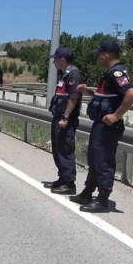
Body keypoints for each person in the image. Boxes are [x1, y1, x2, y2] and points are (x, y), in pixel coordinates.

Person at [70, 40, 133, 212]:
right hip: (100, 124)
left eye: (99, 55)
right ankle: (87, 192)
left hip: (108, 127)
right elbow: (106, 97)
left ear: (105, 55)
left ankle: (102, 200)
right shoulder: (110, 73)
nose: (98, 58)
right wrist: (87, 92)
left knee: (103, 162)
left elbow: (132, 94)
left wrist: (116, 115)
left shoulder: (117, 73)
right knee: (93, 159)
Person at [44, 47, 83, 195]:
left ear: (62, 59)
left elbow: (73, 98)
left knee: (65, 149)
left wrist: (66, 117)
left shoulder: (74, 74)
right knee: (58, 148)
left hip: (65, 119)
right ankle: (62, 178)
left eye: (55, 59)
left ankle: (69, 183)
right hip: (58, 117)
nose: (53, 62)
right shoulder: (65, 75)